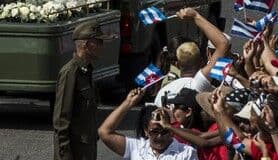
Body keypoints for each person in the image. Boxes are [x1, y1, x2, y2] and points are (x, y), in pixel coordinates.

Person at [53, 22, 113, 160]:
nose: (101, 46)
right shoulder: (70, 72)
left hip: (86, 150)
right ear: (86, 45)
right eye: (98, 42)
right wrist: (64, 155)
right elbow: (61, 120)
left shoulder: (86, 71)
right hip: (74, 153)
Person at [98, 88, 197, 160]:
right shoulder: (136, 148)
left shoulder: (186, 153)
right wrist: (128, 103)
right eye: (154, 131)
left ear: (171, 131)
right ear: (146, 131)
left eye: (165, 131)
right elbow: (104, 132)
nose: (159, 137)